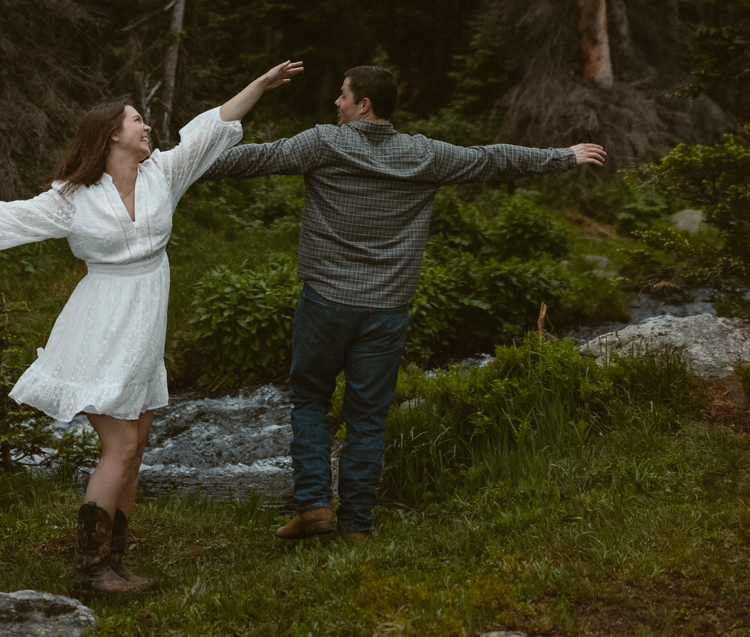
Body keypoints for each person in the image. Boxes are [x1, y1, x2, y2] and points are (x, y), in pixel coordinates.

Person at [0, 59, 305, 593]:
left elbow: (212, 125)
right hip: (100, 326)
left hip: (145, 325)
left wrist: (261, 85)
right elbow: (2, 216)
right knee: (122, 446)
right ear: (113, 135)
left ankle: (116, 560)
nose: (147, 126)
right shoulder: (73, 198)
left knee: (137, 444)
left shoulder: (165, 174)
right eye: (138, 120)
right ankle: (89, 568)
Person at [197, 64, 606, 540]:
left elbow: (248, 161)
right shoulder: (423, 154)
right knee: (367, 417)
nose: (336, 103)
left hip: (325, 301)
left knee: (310, 399)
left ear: (363, 105)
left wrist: (164, 164)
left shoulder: (323, 142)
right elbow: (494, 160)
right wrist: (564, 156)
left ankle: (313, 505)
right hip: (387, 309)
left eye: (343, 96)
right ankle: (356, 525)